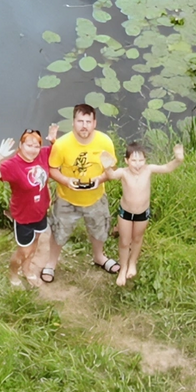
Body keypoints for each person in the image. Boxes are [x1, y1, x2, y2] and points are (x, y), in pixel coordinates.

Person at [47, 104, 121, 274]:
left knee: (99, 230)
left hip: (95, 197)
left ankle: (99, 256)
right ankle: (51, 263)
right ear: (73, 122)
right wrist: (66, 181)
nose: (84, 125)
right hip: (66, 199)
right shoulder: (62, 144)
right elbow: (52, 169)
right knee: (59, 231)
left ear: (94, 123)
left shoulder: (105, 142)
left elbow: (112, 169)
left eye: (88, 121)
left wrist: (100, 179)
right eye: (80, 121)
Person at [104, 141, 184, 286]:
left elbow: (167, 168)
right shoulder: (123, 172)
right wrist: (106, 166)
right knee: (124, 241)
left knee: (137, 238)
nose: (138, 164)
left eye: (141, 160)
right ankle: (123, 268)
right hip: (125, 213)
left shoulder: (149, 169)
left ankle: (132, 262)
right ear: (127, 161)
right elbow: (111, 175)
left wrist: (178, 160)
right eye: (134, 160)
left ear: (145, 160)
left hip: (142, 213)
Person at [0, 130, 55, 286]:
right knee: (23, 250)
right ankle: (13, 274)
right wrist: (0, 156)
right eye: (28, 145)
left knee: (35, 241)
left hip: (40, 212)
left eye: (36, 146)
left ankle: (27, 269)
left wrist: (53, 140)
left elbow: (58, 152)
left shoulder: (42, 155)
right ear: (21, 145)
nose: (33, 149)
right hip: (23, 216)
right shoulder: (13, 164)